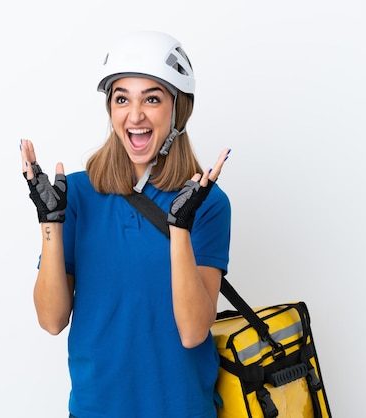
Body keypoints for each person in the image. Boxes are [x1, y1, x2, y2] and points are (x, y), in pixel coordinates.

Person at [20, 30, 231, 418]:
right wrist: (50, 224)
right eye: (122, 99)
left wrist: (180, 228)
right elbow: (51, 320)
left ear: (178, 110)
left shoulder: (208, 204)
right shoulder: (78, 195)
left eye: (152, 98)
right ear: (111, 110)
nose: (135, 116)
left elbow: (193, 332)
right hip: (96, 409)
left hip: (181, 409)